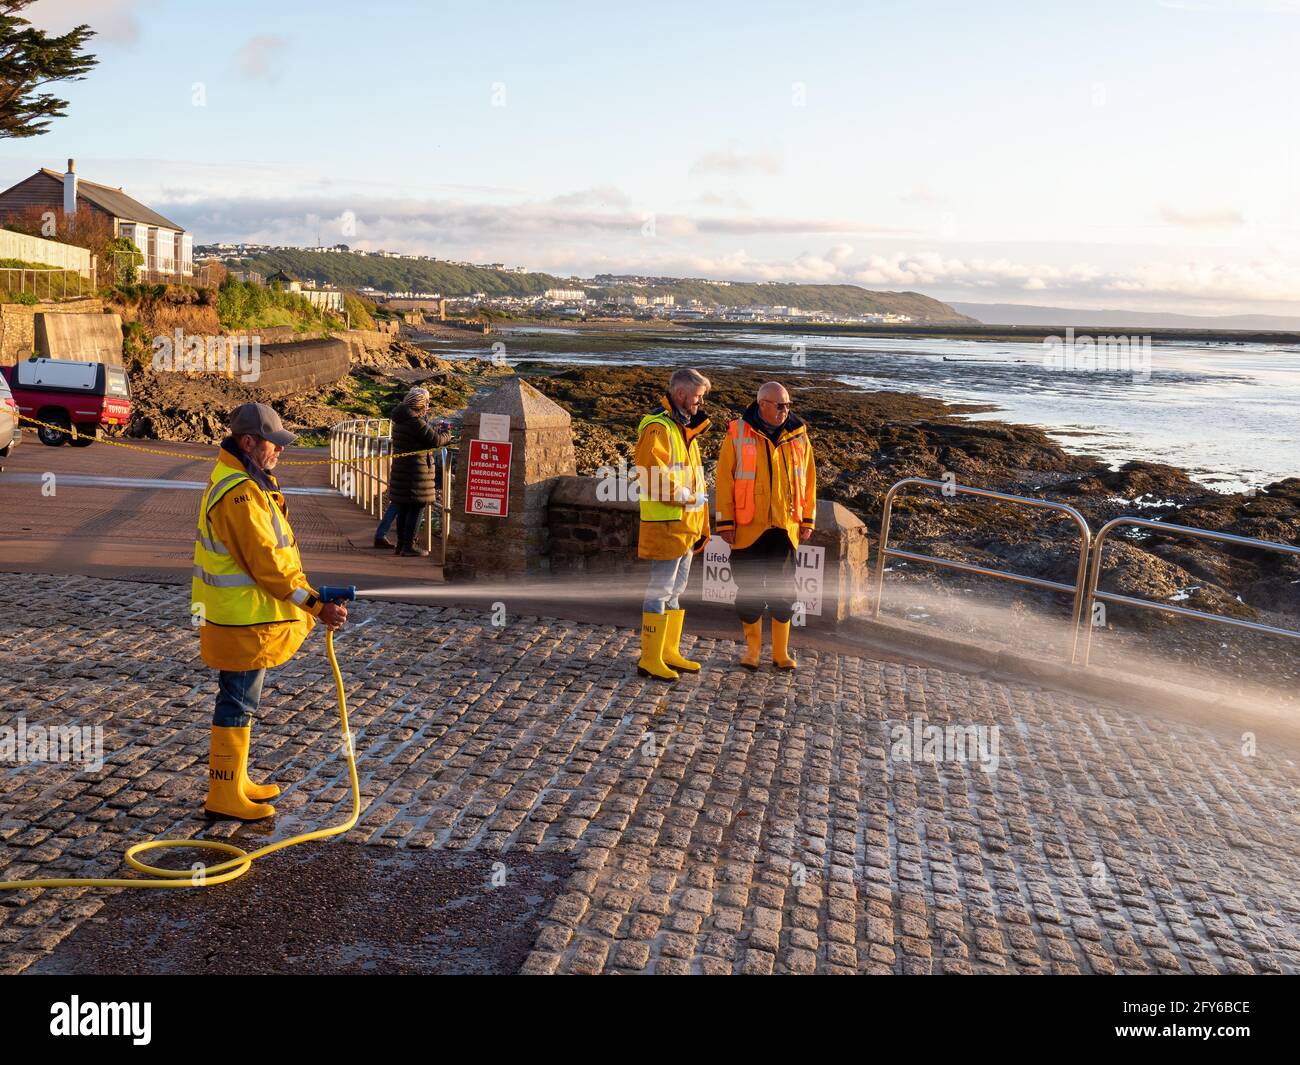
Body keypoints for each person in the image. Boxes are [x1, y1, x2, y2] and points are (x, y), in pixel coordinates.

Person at [191, 402, 348, 821]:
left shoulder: (241, 482)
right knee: (238, 703)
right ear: (248, 442)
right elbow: (268, 564)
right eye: (273, 444)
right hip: (244, 620)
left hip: (242, 618)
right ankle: (223, 795)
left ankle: (234, 780)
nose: (279, 451)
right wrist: (316, 605)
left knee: (241, 700)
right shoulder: (240, 494)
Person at [715, 381, 816, 670]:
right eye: (780, 405)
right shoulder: (737, 432)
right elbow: (724, 479)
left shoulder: (799, 435)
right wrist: (725, 521)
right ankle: (752, 652)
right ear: (762, 405)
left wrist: (807, 519)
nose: (786, 410)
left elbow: (808, 480)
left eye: (788, 405)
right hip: (747, 528)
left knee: (784, 592)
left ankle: (780, 653)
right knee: (747, 591)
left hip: (785, 528)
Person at [634, 367, 711, 681]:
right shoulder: (658, 427)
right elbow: (650, 473)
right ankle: (650, 659)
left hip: (686, 524)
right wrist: (684, 498)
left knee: (676, 591)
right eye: (697, 396)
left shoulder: (684, 429)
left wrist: (699, 517)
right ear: (681, 394)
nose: (699, 403)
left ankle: (667, 652)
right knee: (659, 592)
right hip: (667, 521)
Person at [388, 387, 452, 557]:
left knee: (403, 508)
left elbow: (422, 437)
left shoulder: (401, 419)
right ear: (420, 404)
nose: (428, 406)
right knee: (416, 507)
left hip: (402, 471)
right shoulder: (414, 421)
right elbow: (436, 440)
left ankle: (401, 545)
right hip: (416, 472)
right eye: (426, 403)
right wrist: (447, 432)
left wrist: (429, 425)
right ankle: (409, 546)